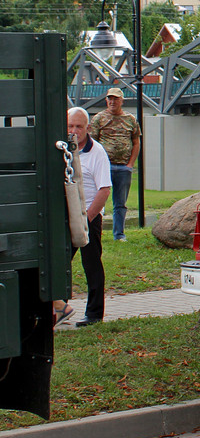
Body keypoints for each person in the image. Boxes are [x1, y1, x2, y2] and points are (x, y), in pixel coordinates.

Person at [66, 106, 111, 326]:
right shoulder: (63, 148)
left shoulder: (97, 152)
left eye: (79, 126)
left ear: (88, 128)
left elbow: (104, 190)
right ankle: (60, 308)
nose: (74, 131)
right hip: (65, 216)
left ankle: (94, 314)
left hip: (88, 217)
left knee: (91, 265)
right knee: (60, 264)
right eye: (70, 126)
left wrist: (86, 219)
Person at [90, 87, 140, 242]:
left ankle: (119, 234)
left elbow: (136, 142)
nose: (112, 102)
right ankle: (93, 231)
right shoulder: (99, 118)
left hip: (123, 167)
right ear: (106, 100)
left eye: (116, 99)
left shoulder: (130, 119)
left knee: (120, 203)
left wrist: (130, 164)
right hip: (104, 167)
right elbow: (92, 142)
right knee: (98, 200)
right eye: (110, 99)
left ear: (121, 101)